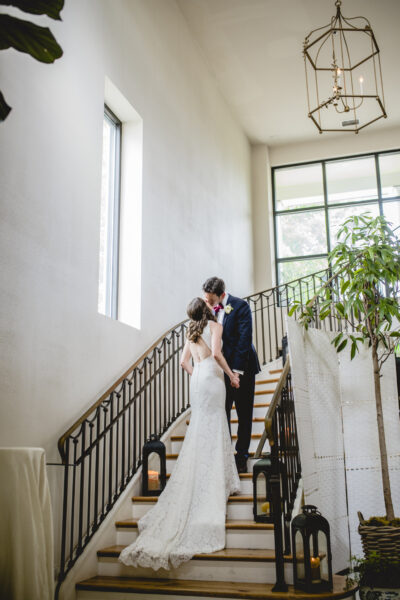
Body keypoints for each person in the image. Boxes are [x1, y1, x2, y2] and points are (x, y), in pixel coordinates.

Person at [118, 297, 241, 571]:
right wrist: (232, 376)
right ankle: (216, 478)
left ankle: (201, 475)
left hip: (197, 380)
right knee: (215, 424)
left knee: (200, 429)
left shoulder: (191, 331)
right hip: (212, 379)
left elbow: (184, 363)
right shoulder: (215, 327)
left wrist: (198, 373)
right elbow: (218, 355)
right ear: (208, 310)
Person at [202, 277, 261, 474]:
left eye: (211, 300)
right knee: (223, 412)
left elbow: (244, 339)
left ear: (221, 295)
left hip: (243, 368)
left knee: (244, 414)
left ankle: (242, 456)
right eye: (207, 299)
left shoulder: (240, 306)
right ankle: (226, 456)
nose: (208, 303)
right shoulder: (208, 310)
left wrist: (236, 372)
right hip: (221, 370)